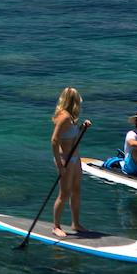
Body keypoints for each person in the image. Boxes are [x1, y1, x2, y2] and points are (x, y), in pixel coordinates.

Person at [50, 87, 92, 237]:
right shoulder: (64, 117)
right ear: (73, 101)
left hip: (75, 159)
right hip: (64, 160)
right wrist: (60, 165)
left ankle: (75, 223)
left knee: (76, 190)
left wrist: (82, 127)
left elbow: (72, 138)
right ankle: (56, 226)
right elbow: (54, 140)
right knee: (64, 193)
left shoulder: (72, 118)